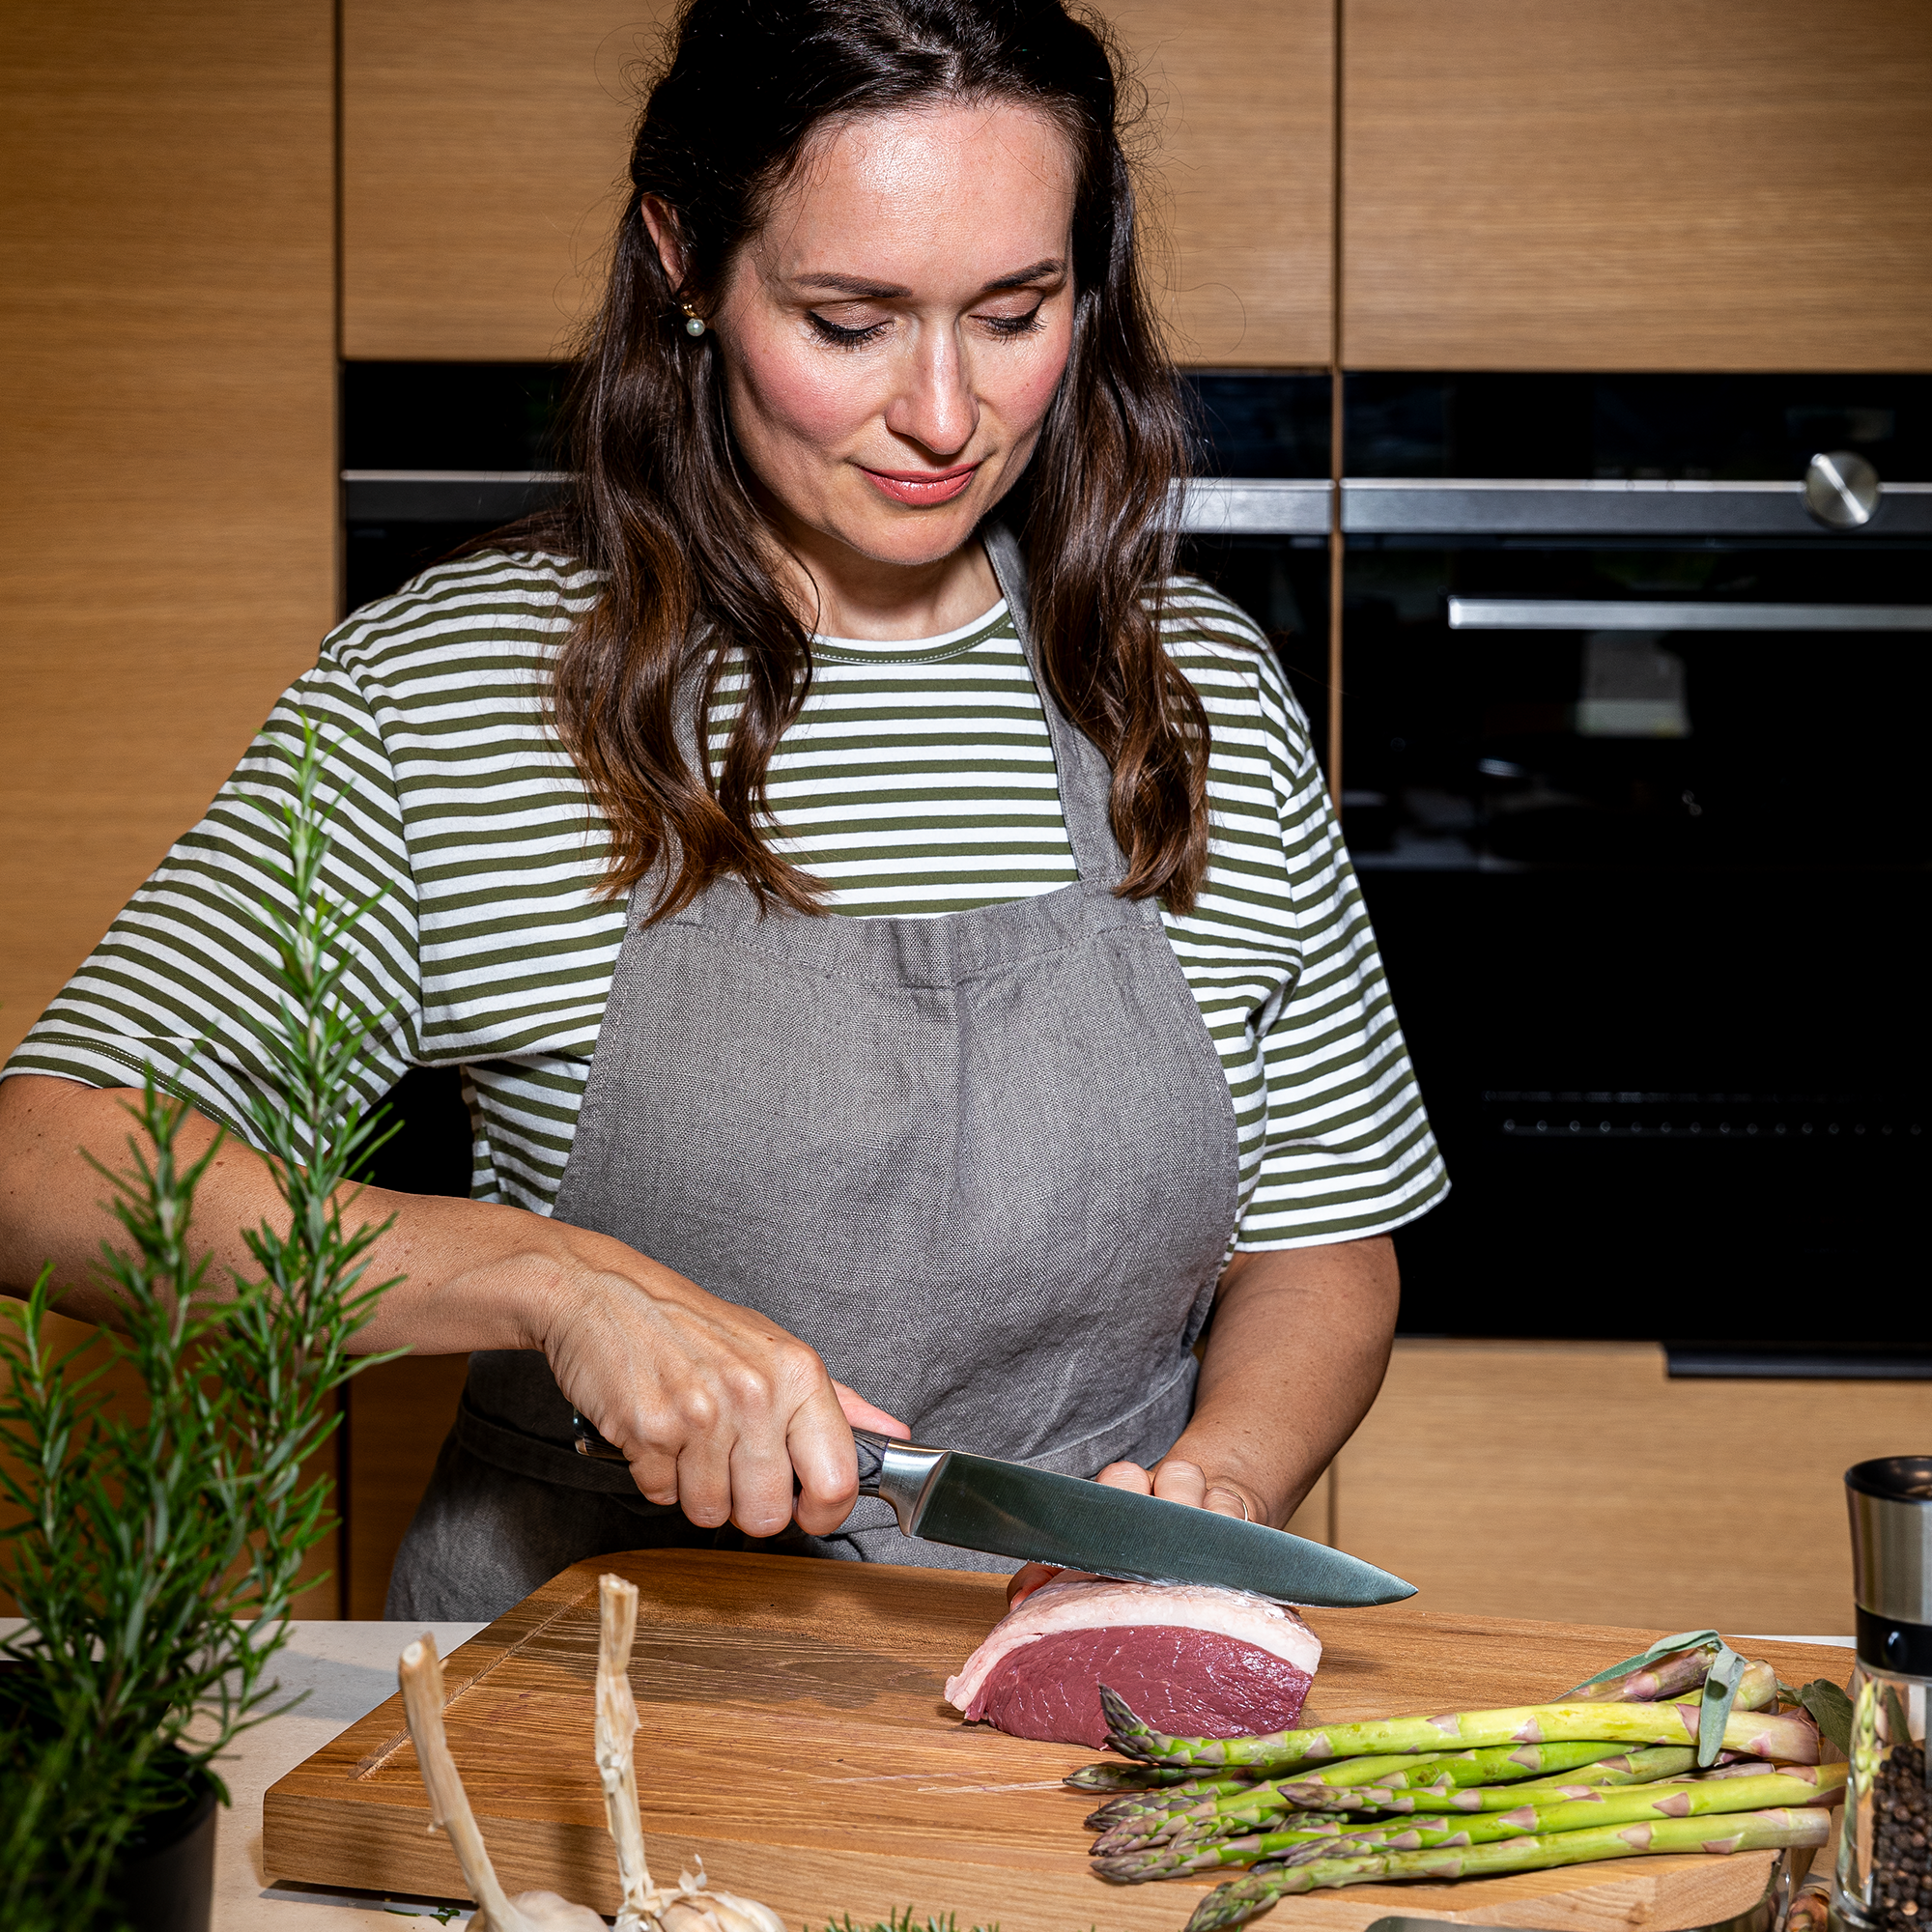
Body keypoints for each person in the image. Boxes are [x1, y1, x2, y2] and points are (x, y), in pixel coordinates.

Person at [0, 0, 1445, 1622]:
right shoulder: (461, 687)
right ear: (683, 260)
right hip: (575, 1687)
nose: (947, 417)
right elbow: (46, 1165)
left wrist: (1217, 1493)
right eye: (849, 321)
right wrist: (546, 1284)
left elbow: (1325, 1234)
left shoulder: (1192, 685)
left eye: (1017, 311)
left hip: (1087, 1670)